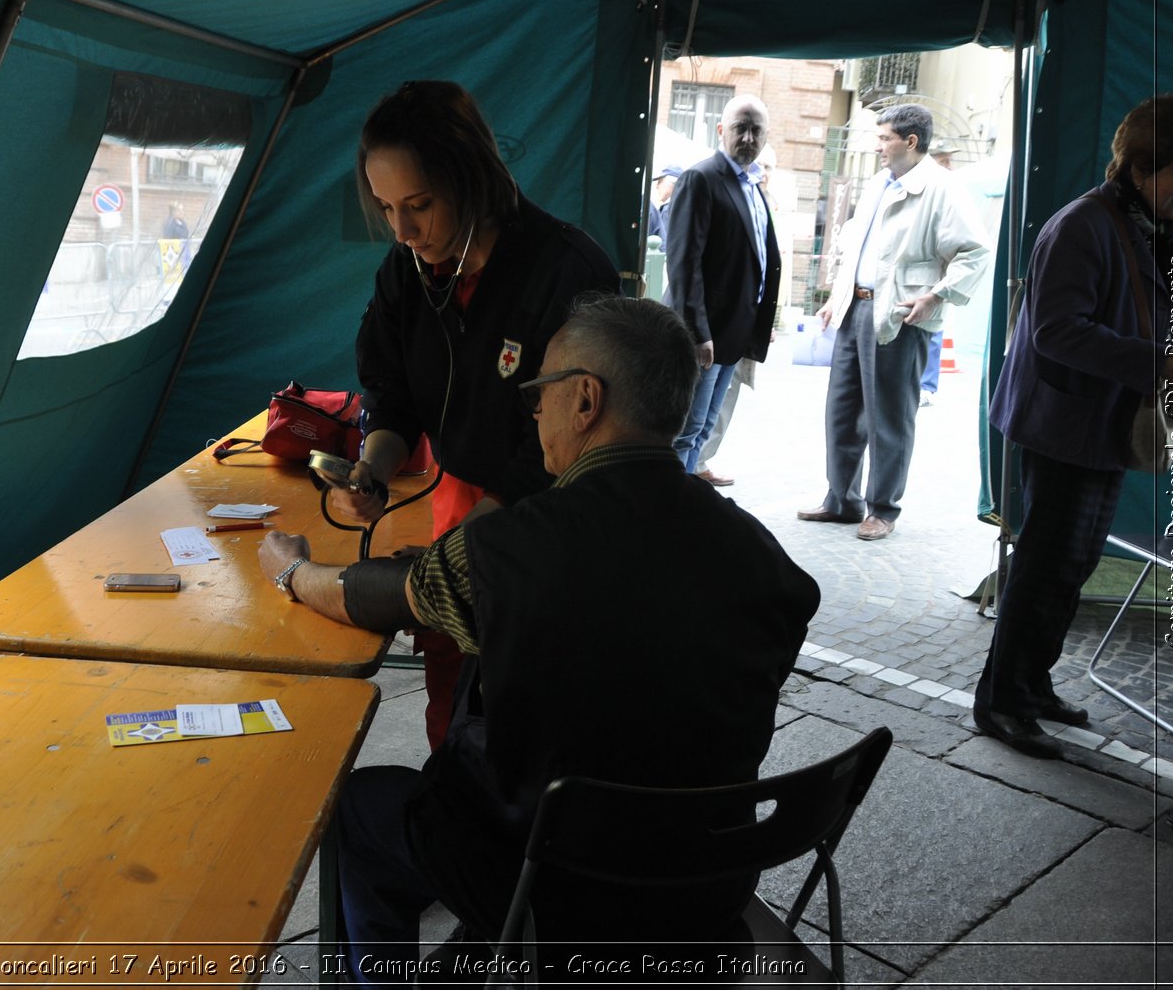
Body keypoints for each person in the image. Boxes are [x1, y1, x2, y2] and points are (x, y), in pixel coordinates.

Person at [258, 295, 819, 982]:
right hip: (705, 891)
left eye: (539, 390)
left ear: (585, 398)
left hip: (553, 892)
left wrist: (292, 569)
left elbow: (370, 598)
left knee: (360, 811)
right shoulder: (766, 560)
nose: (533, 410)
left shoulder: (508, 547)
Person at [340, 80, 620, 750]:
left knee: (523, 718)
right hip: (459, 504)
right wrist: (372, 469)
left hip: (544, 521)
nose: (403, 231)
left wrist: (465, 549)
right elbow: (393, 390)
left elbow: (569, 443)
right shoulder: (408, 272)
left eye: (420, 205)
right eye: (386, 209)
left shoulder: (565, 273)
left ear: (472, 178)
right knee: (453, 711)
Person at [974, 95, 1173, 758]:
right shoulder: (1085, 225)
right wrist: (1164, 362)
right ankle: (1001, 703)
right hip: (1061, 424)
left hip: (1096, 425)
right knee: (1044, 566)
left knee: (1071, 565)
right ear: (1142, 166)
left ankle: (1032, 685)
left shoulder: (1143, 227)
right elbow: (1058, 332)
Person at [798, 104, 990, 540]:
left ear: (911, 141)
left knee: (889, 416)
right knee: (843, 411)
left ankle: (882, 509)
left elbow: (974, 252)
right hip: (856, 309)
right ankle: (842, 500)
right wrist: (838, 297)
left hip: (901, 315)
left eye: (884, 138)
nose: (878, 145)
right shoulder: (877, 184)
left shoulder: (942, 189)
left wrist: (936, 296)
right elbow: (857, 244)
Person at [666, 94, 780, 475]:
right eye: (739, 128)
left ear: (766, 135)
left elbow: (758, 261)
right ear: (721, 130)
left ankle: (683, 505)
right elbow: (684, 262)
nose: (748, 137)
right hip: (706, 335)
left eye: (756, 130)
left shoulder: (752, 185)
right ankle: (666, 512)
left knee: (703, 431)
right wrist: (698, 332)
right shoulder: (701, 178)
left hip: (733, 333)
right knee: (685, 430)